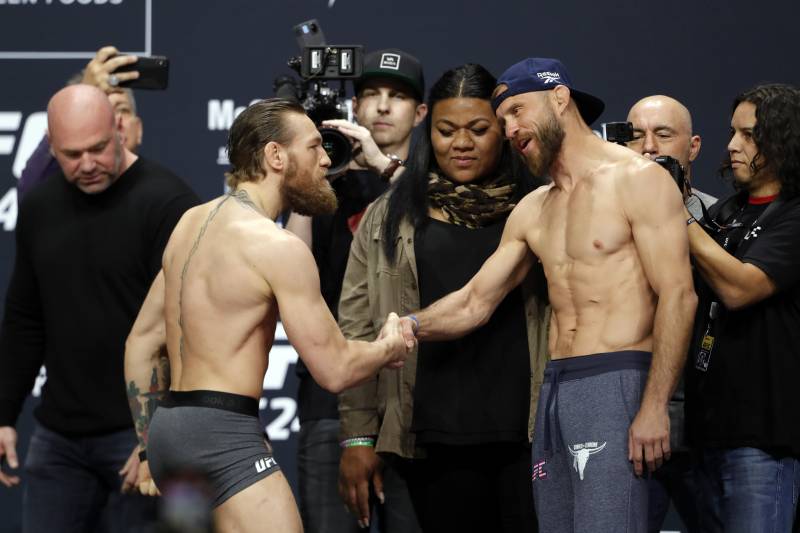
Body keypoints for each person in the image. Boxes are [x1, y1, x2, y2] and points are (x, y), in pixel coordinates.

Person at [400, 58, 698, 532]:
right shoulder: (534, 208)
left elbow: (679, 296)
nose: (510, 130)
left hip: (619, 380)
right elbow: (475, 302)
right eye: (503, 121)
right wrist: (410, 326)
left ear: (559, 99)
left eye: (517, 111)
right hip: (556, 389)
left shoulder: (638, 180)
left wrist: (654, 405)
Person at [124, 98, 412, 533]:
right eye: (314, 147)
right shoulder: (276, 247)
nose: (326, 159)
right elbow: (335, 369)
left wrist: (149, 447)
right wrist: (389, 346)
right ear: (276, 156)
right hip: (222, 439)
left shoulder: (189, 224)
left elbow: (142, 343)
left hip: (170, 437)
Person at [337, 63, 548, 532]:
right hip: (430, 435)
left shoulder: (542, 206)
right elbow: (357, 330)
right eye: (446, 130)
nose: (461, 143)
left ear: (504, 130)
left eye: (479, 129)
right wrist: (357, 437)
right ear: (427, 130)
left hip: (529, 433)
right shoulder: (388, 215)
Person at [0, 84, 199, 532]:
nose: (87, 164)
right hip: (58, 442)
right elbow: (24, 319)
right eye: (72, 154)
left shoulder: (170, 204)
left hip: (141, 435)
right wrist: (4, 414)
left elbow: (193, 329)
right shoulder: (39, 208)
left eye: (98, 148)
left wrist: (157, 433)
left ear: (120, 131)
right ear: (51, 146)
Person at [286, 48, 428, 533]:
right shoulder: (327, 182)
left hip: (415, 402)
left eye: (397, 96)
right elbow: (290, 270)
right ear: (354, 105)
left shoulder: (435, 180)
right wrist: (309, 180)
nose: (383, 106)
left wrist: (385, 168)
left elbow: (442, 235)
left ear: (420, 113)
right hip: (331, 397)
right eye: (371, 93)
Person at [684, 83, 800, 533]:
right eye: (733, 132)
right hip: (705, 433)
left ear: (783, 139)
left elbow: (740, 289)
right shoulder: (725, 212)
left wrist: (677, 215)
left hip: (763, 438)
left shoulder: (794, 214)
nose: (732, 145)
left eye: (749, 135)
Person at [626, 94, 715, 532]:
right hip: (626, 415)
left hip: (708, 423)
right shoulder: (601, 220)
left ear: (693, 147)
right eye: (636, 135)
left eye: (663, 134)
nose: (648, 147)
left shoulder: (721, 218)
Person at [18, 45, 144, 200]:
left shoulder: (163, 195)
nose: (114, 121)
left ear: (139, 129)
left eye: (122, 109)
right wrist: (86, 89)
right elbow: (30, 197)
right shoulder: (52, 201)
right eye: (98, 113)